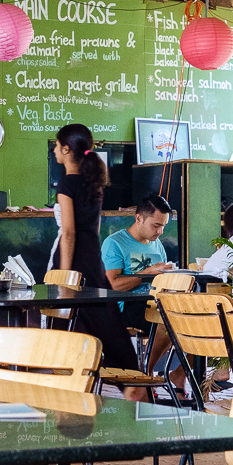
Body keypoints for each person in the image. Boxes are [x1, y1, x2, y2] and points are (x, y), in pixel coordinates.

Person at [51, 124, 145, 400]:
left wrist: (65, 275)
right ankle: (129, 377)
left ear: (66, 149)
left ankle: (67, 375)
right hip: (92, 256)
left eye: (56, 146)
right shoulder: (94, 182)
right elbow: (94, 228)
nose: (54, 150)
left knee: (69, 317)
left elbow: (69, 233)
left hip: (75, 258)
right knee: (103, 316)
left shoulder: (67, 183)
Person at [101, 195, 177, 385]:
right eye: (156, 225)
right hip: (125, 306)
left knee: (198, 320)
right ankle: (146, 373)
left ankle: (179, 375)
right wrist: (146, 273)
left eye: (163, 226)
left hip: (155, 302)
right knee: (168, 320)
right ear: (138, 218)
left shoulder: (157, 244)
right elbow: (112, 285)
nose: (160, 231)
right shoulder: (115, 243)